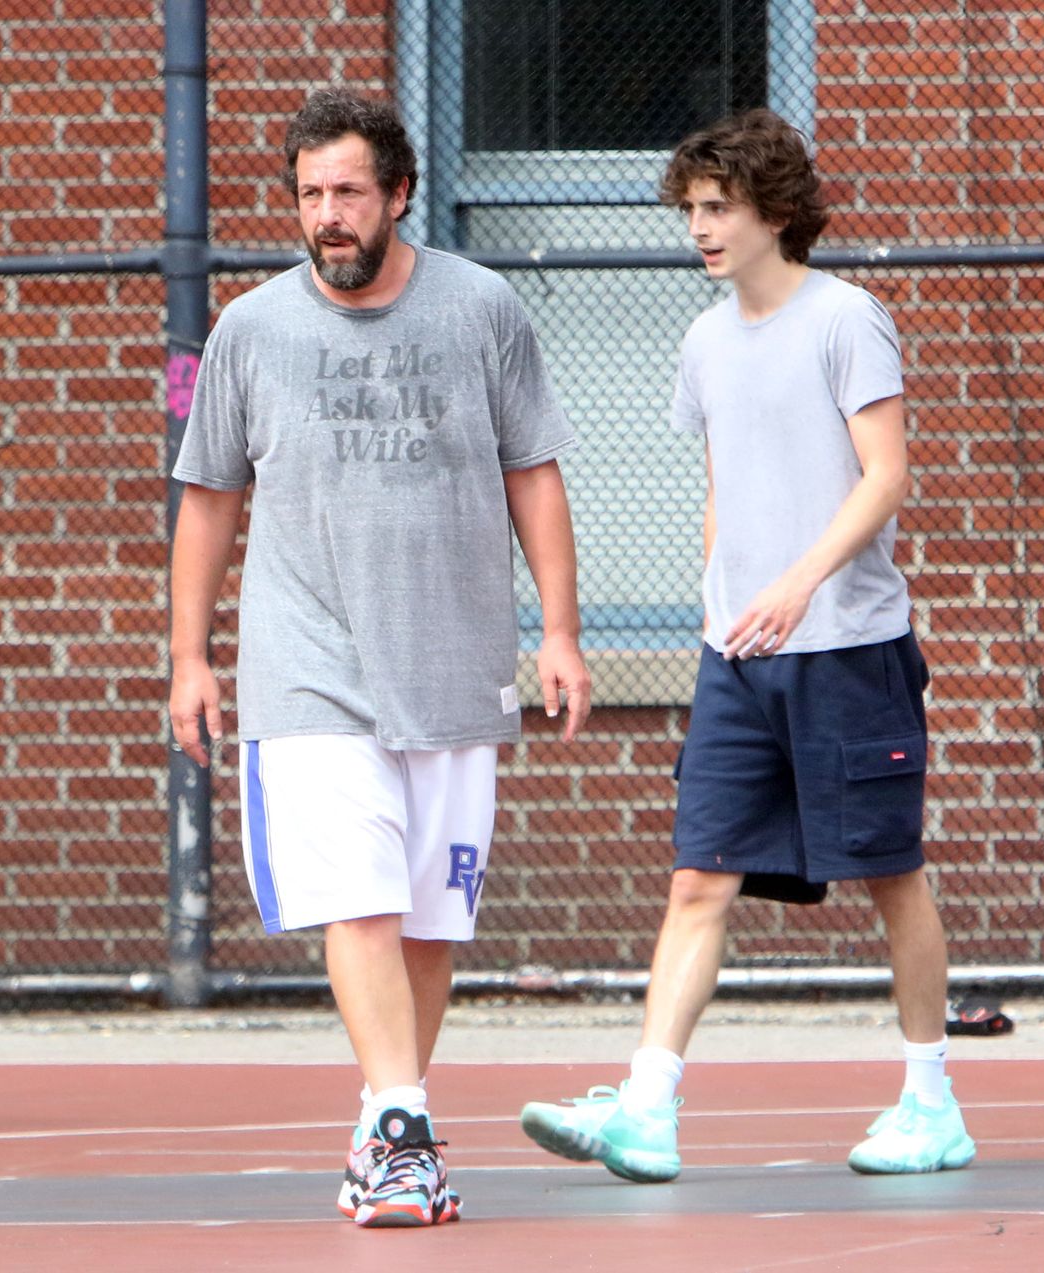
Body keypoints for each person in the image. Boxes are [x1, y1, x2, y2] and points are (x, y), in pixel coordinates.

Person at [519, 108, 974, 1180]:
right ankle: (646, 1108)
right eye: (690, 211)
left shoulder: (846, 319)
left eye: (717, 209)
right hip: (740, 661)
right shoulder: (704, 340)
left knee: (893, 875)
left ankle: (930, 1100)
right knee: (697, 880)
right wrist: (721, 613)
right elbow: (724, 482)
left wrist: (798, 585)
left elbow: (885, 475)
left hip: (850, 651)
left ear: (775, 209)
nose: (700, 229)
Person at [168, 86, 591, 1228]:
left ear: (399, 195)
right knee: (356, 900)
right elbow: (208, 499)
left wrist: (559, 631)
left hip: (452, 662)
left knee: (426, 924)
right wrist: (190, 657)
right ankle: (406, 1131)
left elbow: (533, 473)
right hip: (306, 667)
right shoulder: (250, 330)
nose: (329, 214)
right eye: (310, 194)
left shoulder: (483, 308)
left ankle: (379, 1123)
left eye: (350, 191)